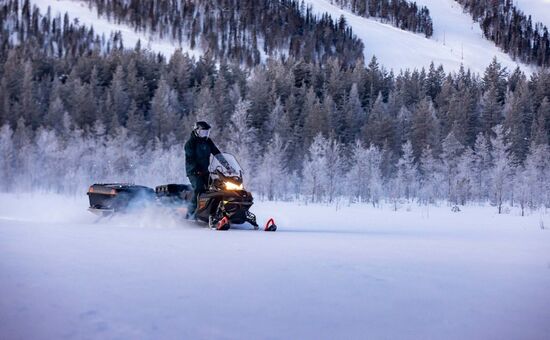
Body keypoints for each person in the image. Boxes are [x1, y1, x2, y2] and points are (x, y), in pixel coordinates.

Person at [184, 121, 231, 219]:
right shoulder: (190, 143)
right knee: (199, 188)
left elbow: (216, 153)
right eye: (203, 132)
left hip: (205, 171)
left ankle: (218, 211)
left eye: (206, 132)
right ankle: (190, 213)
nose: (205, 135)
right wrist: (195, 169)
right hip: (193, 172)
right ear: (197, 131)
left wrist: (227, 166)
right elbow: (190, 159)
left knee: (217, 187)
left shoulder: (207, 141)